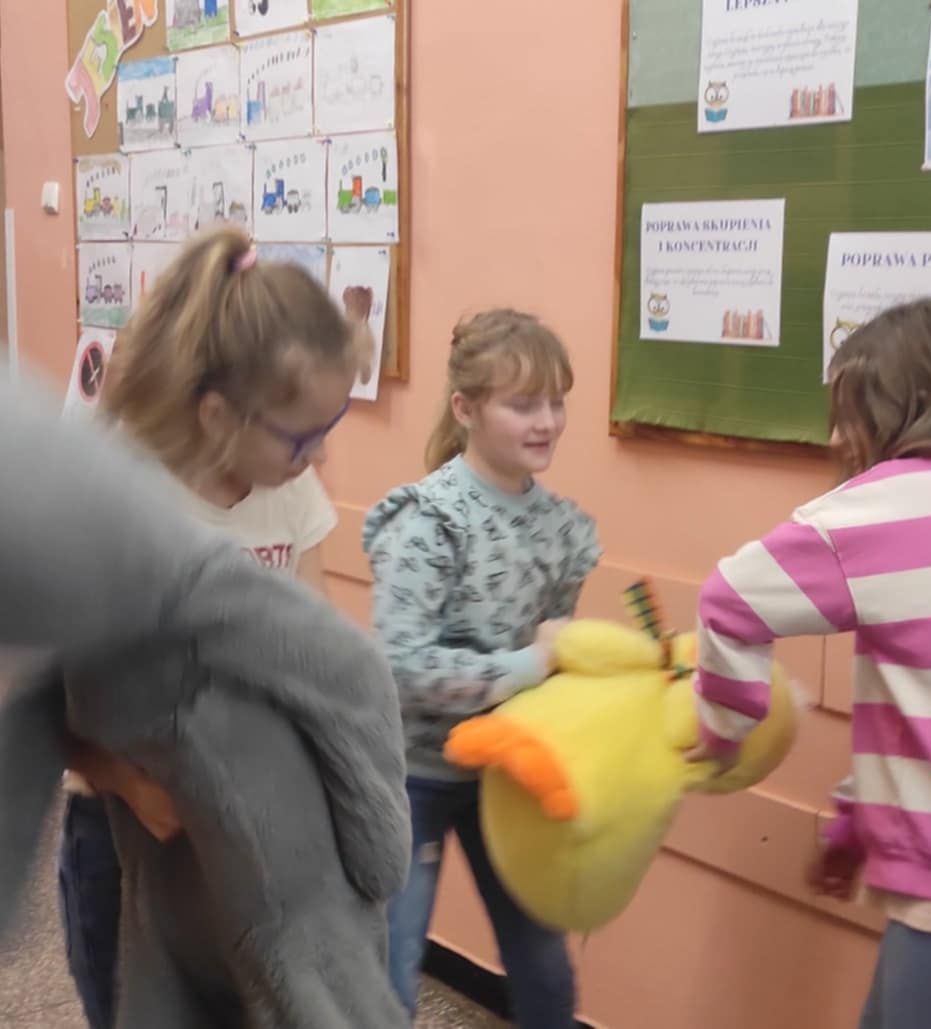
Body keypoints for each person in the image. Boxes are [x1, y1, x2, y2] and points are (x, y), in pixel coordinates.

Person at [687, 299, 931, 1029]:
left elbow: (728, 599)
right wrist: (856, 822)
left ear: (905, 408)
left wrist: (723, 728)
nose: (837, 436)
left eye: (851, 412)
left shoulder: (883, 508)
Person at [57, 227, 359, 1029]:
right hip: (126, 838)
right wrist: (131, 785)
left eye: (329, 426)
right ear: (219, 413)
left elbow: (314, 656)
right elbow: (10, 693)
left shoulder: (289, 490)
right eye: (301, 436)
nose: (319, 455)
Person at [366, 309, 600, 1027]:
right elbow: (403, 664)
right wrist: (532, 662)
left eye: (556, 401)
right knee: (388, 976)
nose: (547, 422)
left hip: (504, 774)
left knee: (546, 973)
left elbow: (552, 668)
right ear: (466, 409)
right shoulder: (429, 520)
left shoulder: (562, 529)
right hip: (413, 773)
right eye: (522, 404)